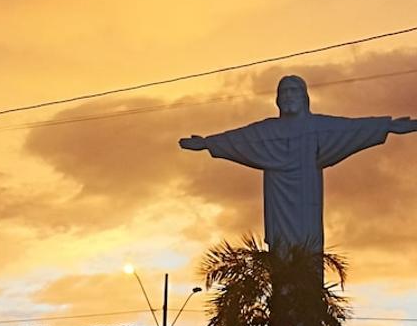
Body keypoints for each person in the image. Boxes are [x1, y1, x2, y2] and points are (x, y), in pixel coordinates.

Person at [179, 75, 417, 252]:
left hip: (307, 203)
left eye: (293, 91)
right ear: (277, 99)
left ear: (304, 97)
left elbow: (349, 128)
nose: (288, 96)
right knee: (282, 255)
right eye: (284, 92)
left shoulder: (319, 127)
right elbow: (241, 139)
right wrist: (208, 143)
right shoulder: (268, 131)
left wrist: (387, 126)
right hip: (278, 202)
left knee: (308, 253)